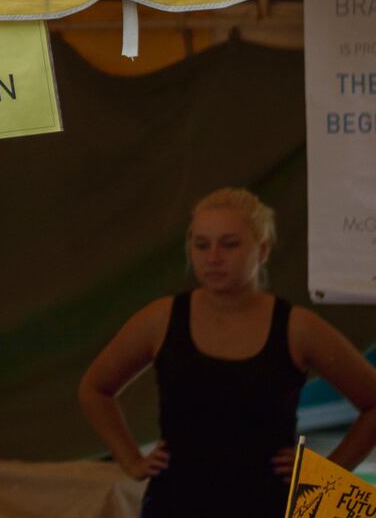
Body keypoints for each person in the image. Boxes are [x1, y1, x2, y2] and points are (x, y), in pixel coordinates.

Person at [79, 187, 376, 517]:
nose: (213, 257)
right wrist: (131, 459)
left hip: (266, 504)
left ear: (262, 250)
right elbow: (95, 388)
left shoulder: (297, 327)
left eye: (230, 244)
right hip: (177, 503)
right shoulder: (160, 319)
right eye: (201, 244)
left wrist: (328, 475)